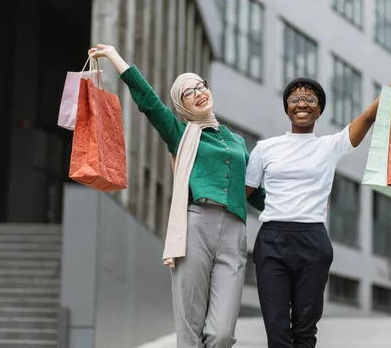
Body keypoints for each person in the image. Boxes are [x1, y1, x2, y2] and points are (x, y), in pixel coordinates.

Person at [245, 55, 391, 347]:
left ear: (319, 110)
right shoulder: (264, 149)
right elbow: (244, 194)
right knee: (276, 327)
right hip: (272, 240)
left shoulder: (330, 146)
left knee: (305, 328)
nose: (302, 104)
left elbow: (371, 115)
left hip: (312, 240)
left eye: (310, 99)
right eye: (295, 98)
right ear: (286, 106)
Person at [88, 44, 265, 348]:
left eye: (201, 86)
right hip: (196, 227)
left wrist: (298, 201)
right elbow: (149, 102)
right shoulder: (180, 133)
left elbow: (255, 192)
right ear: (182, 105)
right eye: (188, 92)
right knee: (190, 328)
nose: (199, 93)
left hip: (235, 233)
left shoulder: (236, 141)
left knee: (221, 334)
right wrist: (115, 57)